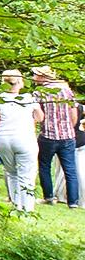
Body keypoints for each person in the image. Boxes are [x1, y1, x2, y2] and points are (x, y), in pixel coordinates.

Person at [0, 69, 42, 213]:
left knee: (11, 173)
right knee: (27, 174)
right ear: (20, 81)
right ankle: (28, 208)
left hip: (3, 139)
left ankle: (16, 205)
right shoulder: (28, 98)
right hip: (25, 139)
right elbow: (40, 117)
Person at [31, 65, 81, 208]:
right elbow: (73, 113)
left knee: (44, 166)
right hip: (68, 136)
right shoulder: (66, 90)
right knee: (70, 169)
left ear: (42, 76)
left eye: (35, 75)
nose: (34, 78)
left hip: (48, 135)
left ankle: (48, 197)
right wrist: (70, 129)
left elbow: (37, 116)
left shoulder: (39, 92)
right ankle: (73, 202)